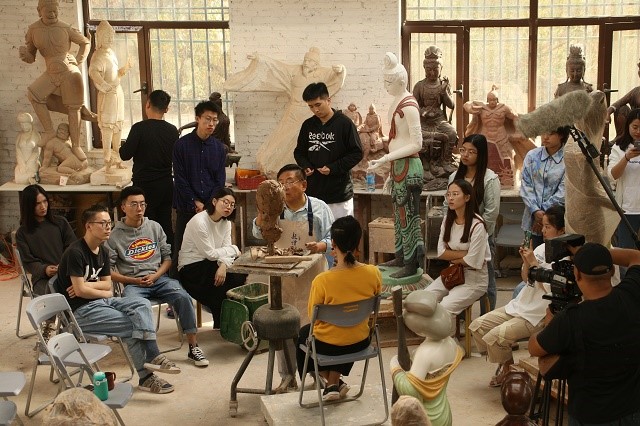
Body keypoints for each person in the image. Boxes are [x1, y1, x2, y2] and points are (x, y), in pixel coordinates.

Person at [54, 204, 181, 394]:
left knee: (142, 304)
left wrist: (87, 287)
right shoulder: (75, 252)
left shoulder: (103, 251)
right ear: (88, 226)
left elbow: (107, 288)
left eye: (109, 223)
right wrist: (89, 289)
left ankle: (152, 358)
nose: (108, 228)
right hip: (78, 312)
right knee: (133, 326)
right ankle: (147, 374)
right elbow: (81, 292)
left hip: (100, 302)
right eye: (103, 223)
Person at [528, 243, 640, 425]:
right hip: (633, 410)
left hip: (590, 416)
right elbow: (636, 257)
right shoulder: (631, 293)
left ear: (577, 274)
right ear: (612, 271)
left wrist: (549, 324)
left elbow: (534, 347)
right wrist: (596, 255)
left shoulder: (570, 319)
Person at [107, 186, 209, 367]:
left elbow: (167, 259)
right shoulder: (115, 235)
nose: (139, 208)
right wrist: (132, 281)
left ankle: (193, 347)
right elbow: (108, 271)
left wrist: (156, 275)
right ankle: (150, 352)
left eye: (142, 204)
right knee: (138, 306)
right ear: (123, 207)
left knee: (183, 297)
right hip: (133, 284)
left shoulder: (154, 227)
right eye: (134, 204)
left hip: (159, 278)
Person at [252, 164, 333, 390]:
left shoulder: (319, 208)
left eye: (289, 182)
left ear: (303, 185)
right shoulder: (276, 207)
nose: (284, 187)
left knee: (314, 327)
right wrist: (262, 214)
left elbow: (332, 238)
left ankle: (318, 374)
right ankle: (287, 377)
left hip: (313, 276)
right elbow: (257, 233)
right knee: (282, 327)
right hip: (282, 278)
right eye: (281, 183)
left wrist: (320, 245)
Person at [470, 205, 565, 388]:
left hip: (537, 314)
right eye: (543, 226)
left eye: (548, 227)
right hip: (520, 306)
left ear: (562, 230)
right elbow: (525, 279)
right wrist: (526, 262)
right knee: (478, 327)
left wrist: (535, 264)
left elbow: (551, 291)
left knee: (496, 337)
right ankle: (505, 363)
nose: (543, 231)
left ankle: (508, 372)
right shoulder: (541, 248)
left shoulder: (565, 259)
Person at [223, 47, 346, 178]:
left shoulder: (322, 73)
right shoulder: (294, 71)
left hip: (307, 112)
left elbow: (336, 76)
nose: (306, 63)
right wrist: (260, 58)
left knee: (299, 139)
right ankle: (273, 166)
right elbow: (277, 67)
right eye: (305, 60)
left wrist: (341, 70)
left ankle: (299, 169)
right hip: (293, 109)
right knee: (282, 136)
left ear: (316, 64)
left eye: (310, 61)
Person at [295, 215, 381, 401]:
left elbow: (313, 317)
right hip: (360, 341)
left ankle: (331, 381)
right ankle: (334, 383)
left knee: (302, 335)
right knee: (347, 328)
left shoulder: (322, 280)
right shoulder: (373, 273)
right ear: (358, 242)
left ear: (333, 243)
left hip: (328, 347)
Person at [368, 52, 425, 279]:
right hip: (398, 166)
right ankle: (401, 257)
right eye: (384, 81)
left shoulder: (409, 106)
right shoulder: (396, 102)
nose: (385, 86)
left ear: (401, 81)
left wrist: (385, 158)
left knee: (408, 216)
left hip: (409, 166)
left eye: (388, 82)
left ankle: (411, 263)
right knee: (399, 217)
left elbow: (417, 144)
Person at [18, 0, 96, 154]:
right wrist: (25, 55)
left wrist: (78, 60)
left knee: (74, 108)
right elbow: (31, 57)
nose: (53, 14)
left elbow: (85, 43)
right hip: (51, 72)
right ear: (39, 11)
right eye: (49, 11)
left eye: (55, 11)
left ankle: (76, 145)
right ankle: (49, 131)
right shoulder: (33, 29)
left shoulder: (65, 27)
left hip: (69, 71)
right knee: (34, 95)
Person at [390, 290, 464, 426]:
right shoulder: (451, 343)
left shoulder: (425, 352)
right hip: (444, 414)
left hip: (426, 418)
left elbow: (411, 391)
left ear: (420, 329)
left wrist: (395, 368)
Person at [178, 188, 246, 329]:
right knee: (224, 280)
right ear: (214, 201)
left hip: (213, 263)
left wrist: (223, 266)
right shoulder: (199, 221)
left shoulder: (226, 223)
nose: (228, 207)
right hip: (191, 269)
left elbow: (225, 251)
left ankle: (227, 320)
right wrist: (235, 249)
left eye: (232, 204)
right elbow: (209, 253)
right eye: (225, 202)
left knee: (240, 272)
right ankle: (223, 321)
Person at [172, 100, 227, 275]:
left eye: (215, 120)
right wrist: (195, 201)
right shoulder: (181, 145)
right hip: (187, 206)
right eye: (207, 119)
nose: (211, 124)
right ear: (197, 119)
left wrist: (209, 204)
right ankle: (177, 283)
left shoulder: (219, 148)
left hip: (211, 208)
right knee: (181, 249)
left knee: (211, 249)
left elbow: (219, 180)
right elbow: (180, 178)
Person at [293, 82, 363, 219]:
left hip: (339, 195)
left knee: (340, 231)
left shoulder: (345, 123)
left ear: (328, 100)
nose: (315, 110)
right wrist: (305, 166)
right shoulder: (308, 125)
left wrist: (333, 168)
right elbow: (299, 152)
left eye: (318, 104)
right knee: (315, 232)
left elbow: (357, 153)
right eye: (311, 106)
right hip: (313, 194)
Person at [119, 90, 179, 246]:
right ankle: (169, 257)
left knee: (145, 226)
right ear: (166, 109)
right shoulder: (172, 130)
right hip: (166, 184)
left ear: (147, 105)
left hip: (144, 187)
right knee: (165, 224)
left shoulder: (139, 128)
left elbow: (125, 154)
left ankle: (149, 257)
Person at [448, 134, 500, 311]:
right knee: (459, 279)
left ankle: (486, 319)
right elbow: (448, 207)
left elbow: (491, 213)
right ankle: (461, 318)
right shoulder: (454, 177)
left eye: (471, 152)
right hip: (458, 238)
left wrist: (476, 234)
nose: (465, 155)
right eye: (463, 150)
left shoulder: (489, 179)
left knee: (486, 282)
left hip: (482, 238)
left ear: (481, 154)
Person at [424, 179, 490, 318]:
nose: (451, 198)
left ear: (467, 197)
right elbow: (441, 252)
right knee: (424, 300)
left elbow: (473, 261)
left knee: (444, 308)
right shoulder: (447, 220)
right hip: (453, 273)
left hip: (474, 279)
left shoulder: (477, 225)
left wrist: (454, 256)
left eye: (455, 194)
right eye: (448, 194)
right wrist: (465, 253)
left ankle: (443, 332)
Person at [464, 86, 533, 186]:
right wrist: (469, 108)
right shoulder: (481, 107)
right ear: (487, 100)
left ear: (497, 99)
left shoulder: (504, 108)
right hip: (485, 138)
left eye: (494, 100)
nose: (492, 102)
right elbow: (467, 104)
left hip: (501, 137)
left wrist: (517, 131)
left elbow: (515, 117)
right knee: (481, 158)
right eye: (490, 100)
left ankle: (509, 179)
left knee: (507, 157)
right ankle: (480, 180)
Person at [16, 184, 76, 296]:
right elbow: (28, 261)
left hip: (68, 273)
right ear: (28, 206)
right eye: (37, 204)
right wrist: (45, 269)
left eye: (45, 201)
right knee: (55, 294)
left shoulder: (60, 223)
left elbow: (73, 247)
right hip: (42, 279)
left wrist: (64, 264)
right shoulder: (22, 233)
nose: (43, 206)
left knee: (82, 289)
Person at [88, 20, 131, 172]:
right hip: (108, 95)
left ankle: (117, 158)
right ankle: (107, 160)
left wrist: (124, 69)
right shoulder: (98, 55)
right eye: (106, 36)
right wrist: (103, 84)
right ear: (99, 37)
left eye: (111, 36)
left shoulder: (111, 53)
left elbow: (114, 74)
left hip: (117, 93)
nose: (110, 39)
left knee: (118, 126)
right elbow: (93, 72)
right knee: (107, 127)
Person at [520, 126, 568, 249]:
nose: (545, 137)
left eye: (551, 133)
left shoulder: (568, 159)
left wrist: (543, 217)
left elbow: (563, 191)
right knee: (530, 255)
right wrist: (535, 211)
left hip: (556, 223)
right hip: (531, 220)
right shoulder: (532, 156)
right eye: (543, 132)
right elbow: (525, 185)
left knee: (554, 256)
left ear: (561, 135)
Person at [412, 45, 458, 175]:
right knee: (416, 135)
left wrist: (444, 92)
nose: (432, 73)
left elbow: (451, 105)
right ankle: (425, 162)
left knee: (452, 133)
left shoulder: (444, 84)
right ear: (424, 68)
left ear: (441, 68)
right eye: (429, 69)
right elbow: (413, 106)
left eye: (435, 69)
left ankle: (445, 161)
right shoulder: (419, 86)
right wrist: (422, 112)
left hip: (439, 120)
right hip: (424, 121)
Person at [607, 108, 640, 261]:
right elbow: (613, 175)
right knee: (626, 252)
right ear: (628, 126)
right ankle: (627, 277)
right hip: (627, 209)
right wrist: (626, 158)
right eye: (635, 127)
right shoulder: (618, 147)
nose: (638, 131)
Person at [607, 59, 640, 140]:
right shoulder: (636, 91)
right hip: (634, 126)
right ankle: (621, 138)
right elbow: (617, 103)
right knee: (621, 108)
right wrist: (608, 112)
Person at [14, 112, 41, 184]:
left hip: (32, 163)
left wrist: (29, 163)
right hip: (21, 163)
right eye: (21, 125)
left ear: (30, 124)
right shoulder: (19, 136)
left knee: (31, 176)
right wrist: (21, 164)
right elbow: (18, 151)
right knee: (19, 179)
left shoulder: (36, 135)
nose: (23, 127)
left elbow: (37, 152)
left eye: (25, 124)